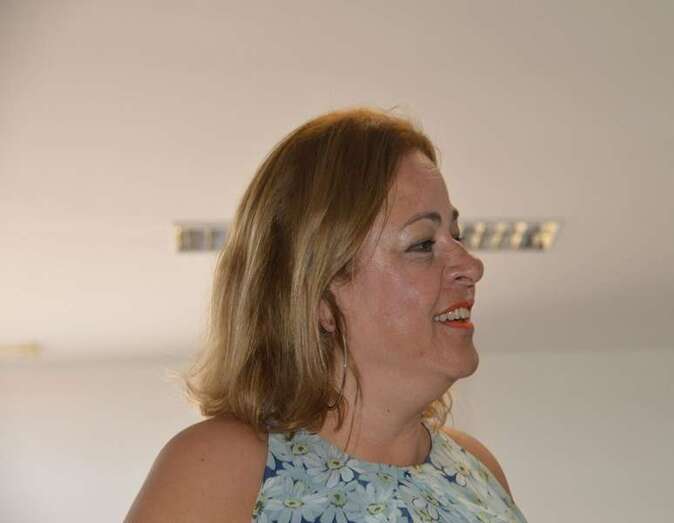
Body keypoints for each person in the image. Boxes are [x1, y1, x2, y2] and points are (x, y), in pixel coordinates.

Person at [125, 107, 528, 522]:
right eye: (423, 244)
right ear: (318, 296)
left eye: (456, 236)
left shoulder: (478, 470)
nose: (471, 265)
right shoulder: (221, 469)